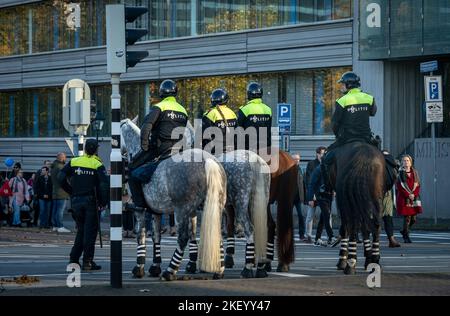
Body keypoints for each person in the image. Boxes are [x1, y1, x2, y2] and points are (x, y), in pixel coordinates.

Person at [127, 79, 188, 212]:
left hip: (160, 148)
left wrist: (145, 146)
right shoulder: (183, 110)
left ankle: (140, 205)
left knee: (132, 172)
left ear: (161, 93)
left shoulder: (159, 107)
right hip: (179, 150)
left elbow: (146, 127)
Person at [321, 71, 377, 192]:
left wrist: (338, 136)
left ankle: (326, 187)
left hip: (346, 139)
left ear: (349, 85)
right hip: (366, 138)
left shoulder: (342, 100)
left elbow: (334, 123)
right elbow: (373, 112)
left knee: (325, 160)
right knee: (384, 157)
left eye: (342, 84)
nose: (341, 86)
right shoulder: (369, 98)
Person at [58, 139, 109, 270]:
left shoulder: (74, 161)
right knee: (90, 233)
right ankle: (88, 261)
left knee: (81, 231)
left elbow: (60, 178)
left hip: (76, 202)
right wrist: (104, 202)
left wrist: (71, 192)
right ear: (96, 150)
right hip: (91, 202)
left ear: (85, 148)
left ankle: (74, 259)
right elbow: (104, 185)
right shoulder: (97, 164)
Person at [236, 82, 272, 152]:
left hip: (249, 149)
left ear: (249, 94)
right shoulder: (268, 109)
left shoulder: (244, 109)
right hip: (265, 147)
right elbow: (269, 130)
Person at [396, 154, 422, 244]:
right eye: (404, 160)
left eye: (408, 161)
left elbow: (418, 185)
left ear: (411, 163)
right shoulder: (399, 173)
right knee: (407, 218)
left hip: (414, 198)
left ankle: (404, 230)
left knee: (413, 219)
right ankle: (406, 236)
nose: (406, 162)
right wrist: (408, 195)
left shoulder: (415, 172)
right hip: (404, 199)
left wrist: (414, 195)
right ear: (402, 163)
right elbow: (399, 187)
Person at [202, 88, 237, 154]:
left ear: (212, 100)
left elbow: (203, 136)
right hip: (231, 152)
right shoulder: (232, 113)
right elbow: (237, 135)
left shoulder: (210, 114)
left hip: (215, 153)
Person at [307, 165, 335, 246]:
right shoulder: (318, 169)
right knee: (327, 215)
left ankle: (317, 239)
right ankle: (331, 236)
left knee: (323, 218)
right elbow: (312, 184)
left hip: (328, 196)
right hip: (320, 196)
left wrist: (334, 190)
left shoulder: (332, 168)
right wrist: (310, 198)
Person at [303, 146, 327, 243]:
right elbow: (308, 181)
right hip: (314, 194)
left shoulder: (327, 164)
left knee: (327, 215)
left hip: (324, 194)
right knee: (310, 215)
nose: (323, 155)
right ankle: (308, 235)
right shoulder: (311, 164)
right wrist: (311, 196)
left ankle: (328, 235)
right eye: (321, 153)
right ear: (317, 154)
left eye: (324, 154)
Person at [51, 152, 70, 233]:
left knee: (55, 210)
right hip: (61, 192)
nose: (65, 159)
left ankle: (55, 225)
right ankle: (60, 226)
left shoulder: (54, 166)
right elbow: (64, 179)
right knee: (60, 210)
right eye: (65, 157)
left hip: (55, 191)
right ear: (61, 158)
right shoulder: (60, 167)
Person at [292, 154, 306, 240]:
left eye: (298, 159)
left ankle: (302, 234)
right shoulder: (287, 169)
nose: (297, 161)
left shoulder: (300, 169)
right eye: (295, 159)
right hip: (289, 198)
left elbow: (303, 184)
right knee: (286, 216)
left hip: (298, 198)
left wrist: (304, 197)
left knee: (301, 215)